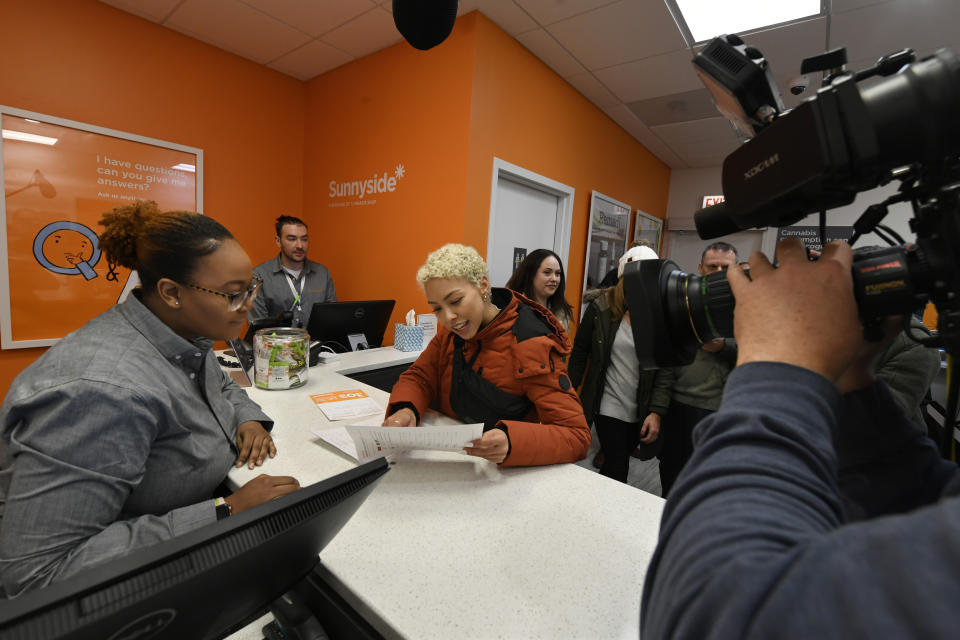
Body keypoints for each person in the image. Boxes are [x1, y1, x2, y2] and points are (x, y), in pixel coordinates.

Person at [641, 238, 960, 638]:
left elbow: (713, 608)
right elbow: (918, 499)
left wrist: (780, 365)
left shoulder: (915, 349)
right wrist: (848, 381)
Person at [0, 201, 300, 598]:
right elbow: (36, 574)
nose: (247, 306)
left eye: (251, 289)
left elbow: (221, 386)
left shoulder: (180, 332)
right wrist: (225, 511)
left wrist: (246, 419)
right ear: (172, 292)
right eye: (233, 294)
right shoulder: (104, 392)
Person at [382, 243, 590, 466]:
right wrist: (406, 409)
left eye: (455, 301)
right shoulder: (453, 332)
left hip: (500, 477)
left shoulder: (533, 344)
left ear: (482, 285)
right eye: (437, 308)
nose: (448, 317)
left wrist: (512, 442)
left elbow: (576, 436)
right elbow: (420, 377)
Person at [569, 246, 674, 484]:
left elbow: (665, 370)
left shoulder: (659, 316)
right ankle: (608, 515)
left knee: (616, 463)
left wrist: (656, 411)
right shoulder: (601, 309)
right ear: (623, 277)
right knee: (618, 466)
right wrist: (567, 390)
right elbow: (580, 350)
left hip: (639, 405)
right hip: (608, 404)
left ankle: (598, 507)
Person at [658, 241, 739, 496]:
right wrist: (657, 410)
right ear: (700, 268)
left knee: (707, 483)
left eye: (725, 267)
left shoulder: (749, 305)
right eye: (712, 266)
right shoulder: (683, 301)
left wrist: (724, 346)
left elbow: (762, 353)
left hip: (718, 412)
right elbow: (667, 360)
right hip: (678, 407)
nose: (717, 272)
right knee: (670, 476)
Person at [250, 215, 336, 330]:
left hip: (316, 345)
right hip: (277, 346)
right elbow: (258, 328)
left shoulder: (322, 274)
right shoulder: (258, 276)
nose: (300, 245)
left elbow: (332, 318)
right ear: (278, 241)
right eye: (292, 239)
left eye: (304, 239)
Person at [505, 248, 574, 331]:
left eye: (557, 273)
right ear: (531, 275)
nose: (554, 279)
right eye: (547, 272)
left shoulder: (561, 313)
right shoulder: (514, 310)